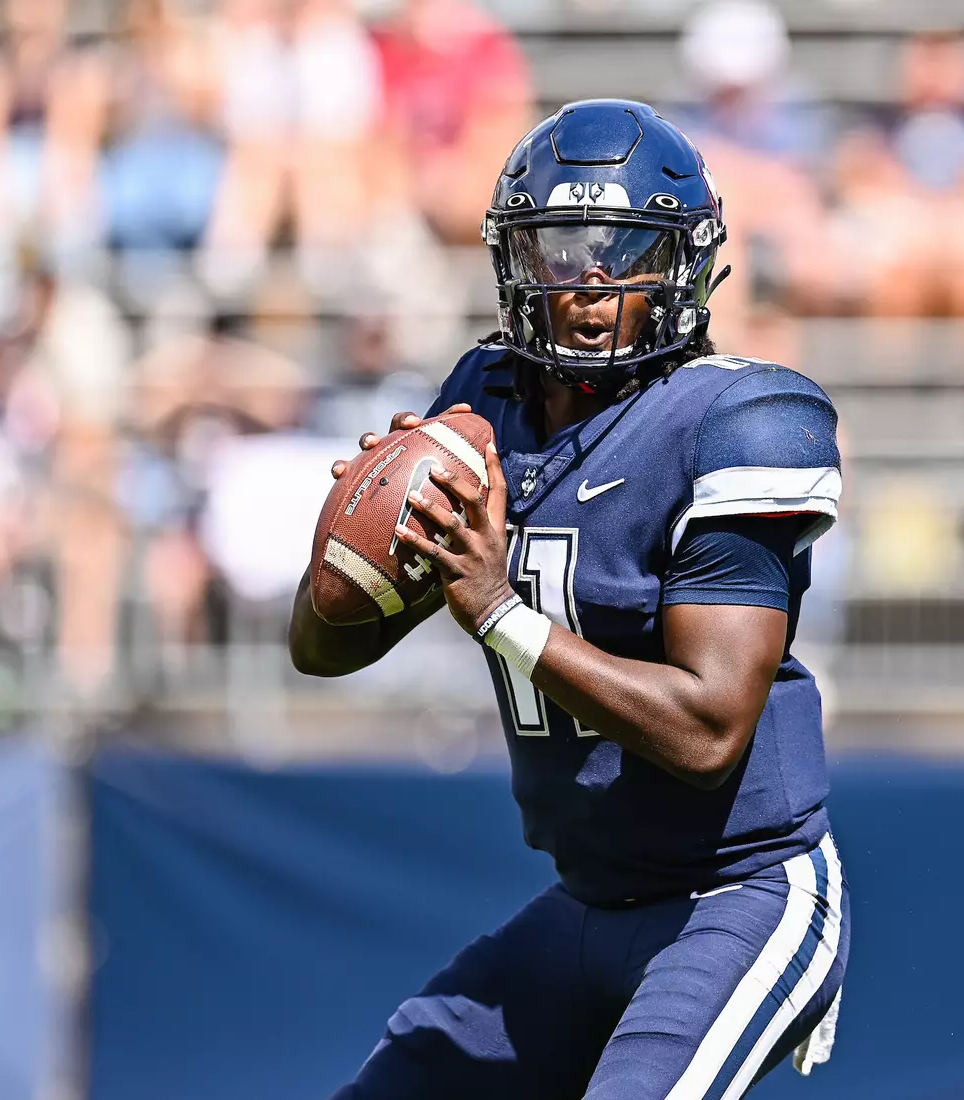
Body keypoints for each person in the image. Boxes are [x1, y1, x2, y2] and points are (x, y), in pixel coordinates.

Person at [288, 99, 848, 1099]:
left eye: (624, 251)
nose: (590, 284)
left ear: (683, 266)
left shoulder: (740, 419)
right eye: (561, 249)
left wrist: (501, 612)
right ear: (513, 261)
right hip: (586, 897)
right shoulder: (488, 400)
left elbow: (710, 726)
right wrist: (356, 545)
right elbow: (322, 649)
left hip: (738, 896)